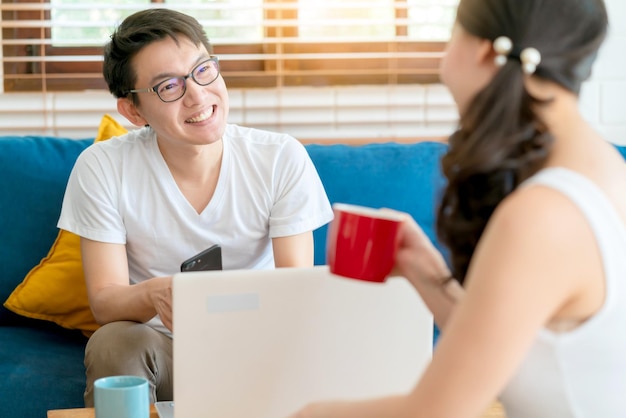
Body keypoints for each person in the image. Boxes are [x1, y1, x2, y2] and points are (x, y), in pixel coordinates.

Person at [289, 0, 626, 417]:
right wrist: (427, 275)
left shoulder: (543, 214)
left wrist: (307, 414)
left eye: (451, 39)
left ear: (484, 51)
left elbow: (434, 412)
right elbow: (520, 355)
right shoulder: (604, 170)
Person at [57, 8, 333, 406]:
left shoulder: (280, 158)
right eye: (169, 86)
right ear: (133, 111)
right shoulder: (102, 167)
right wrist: (156, 294)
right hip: (164, 348)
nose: (198, 95)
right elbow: (104, 301)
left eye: (203, 70)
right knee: (113, 341)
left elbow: (296, 291)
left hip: (262, 345)